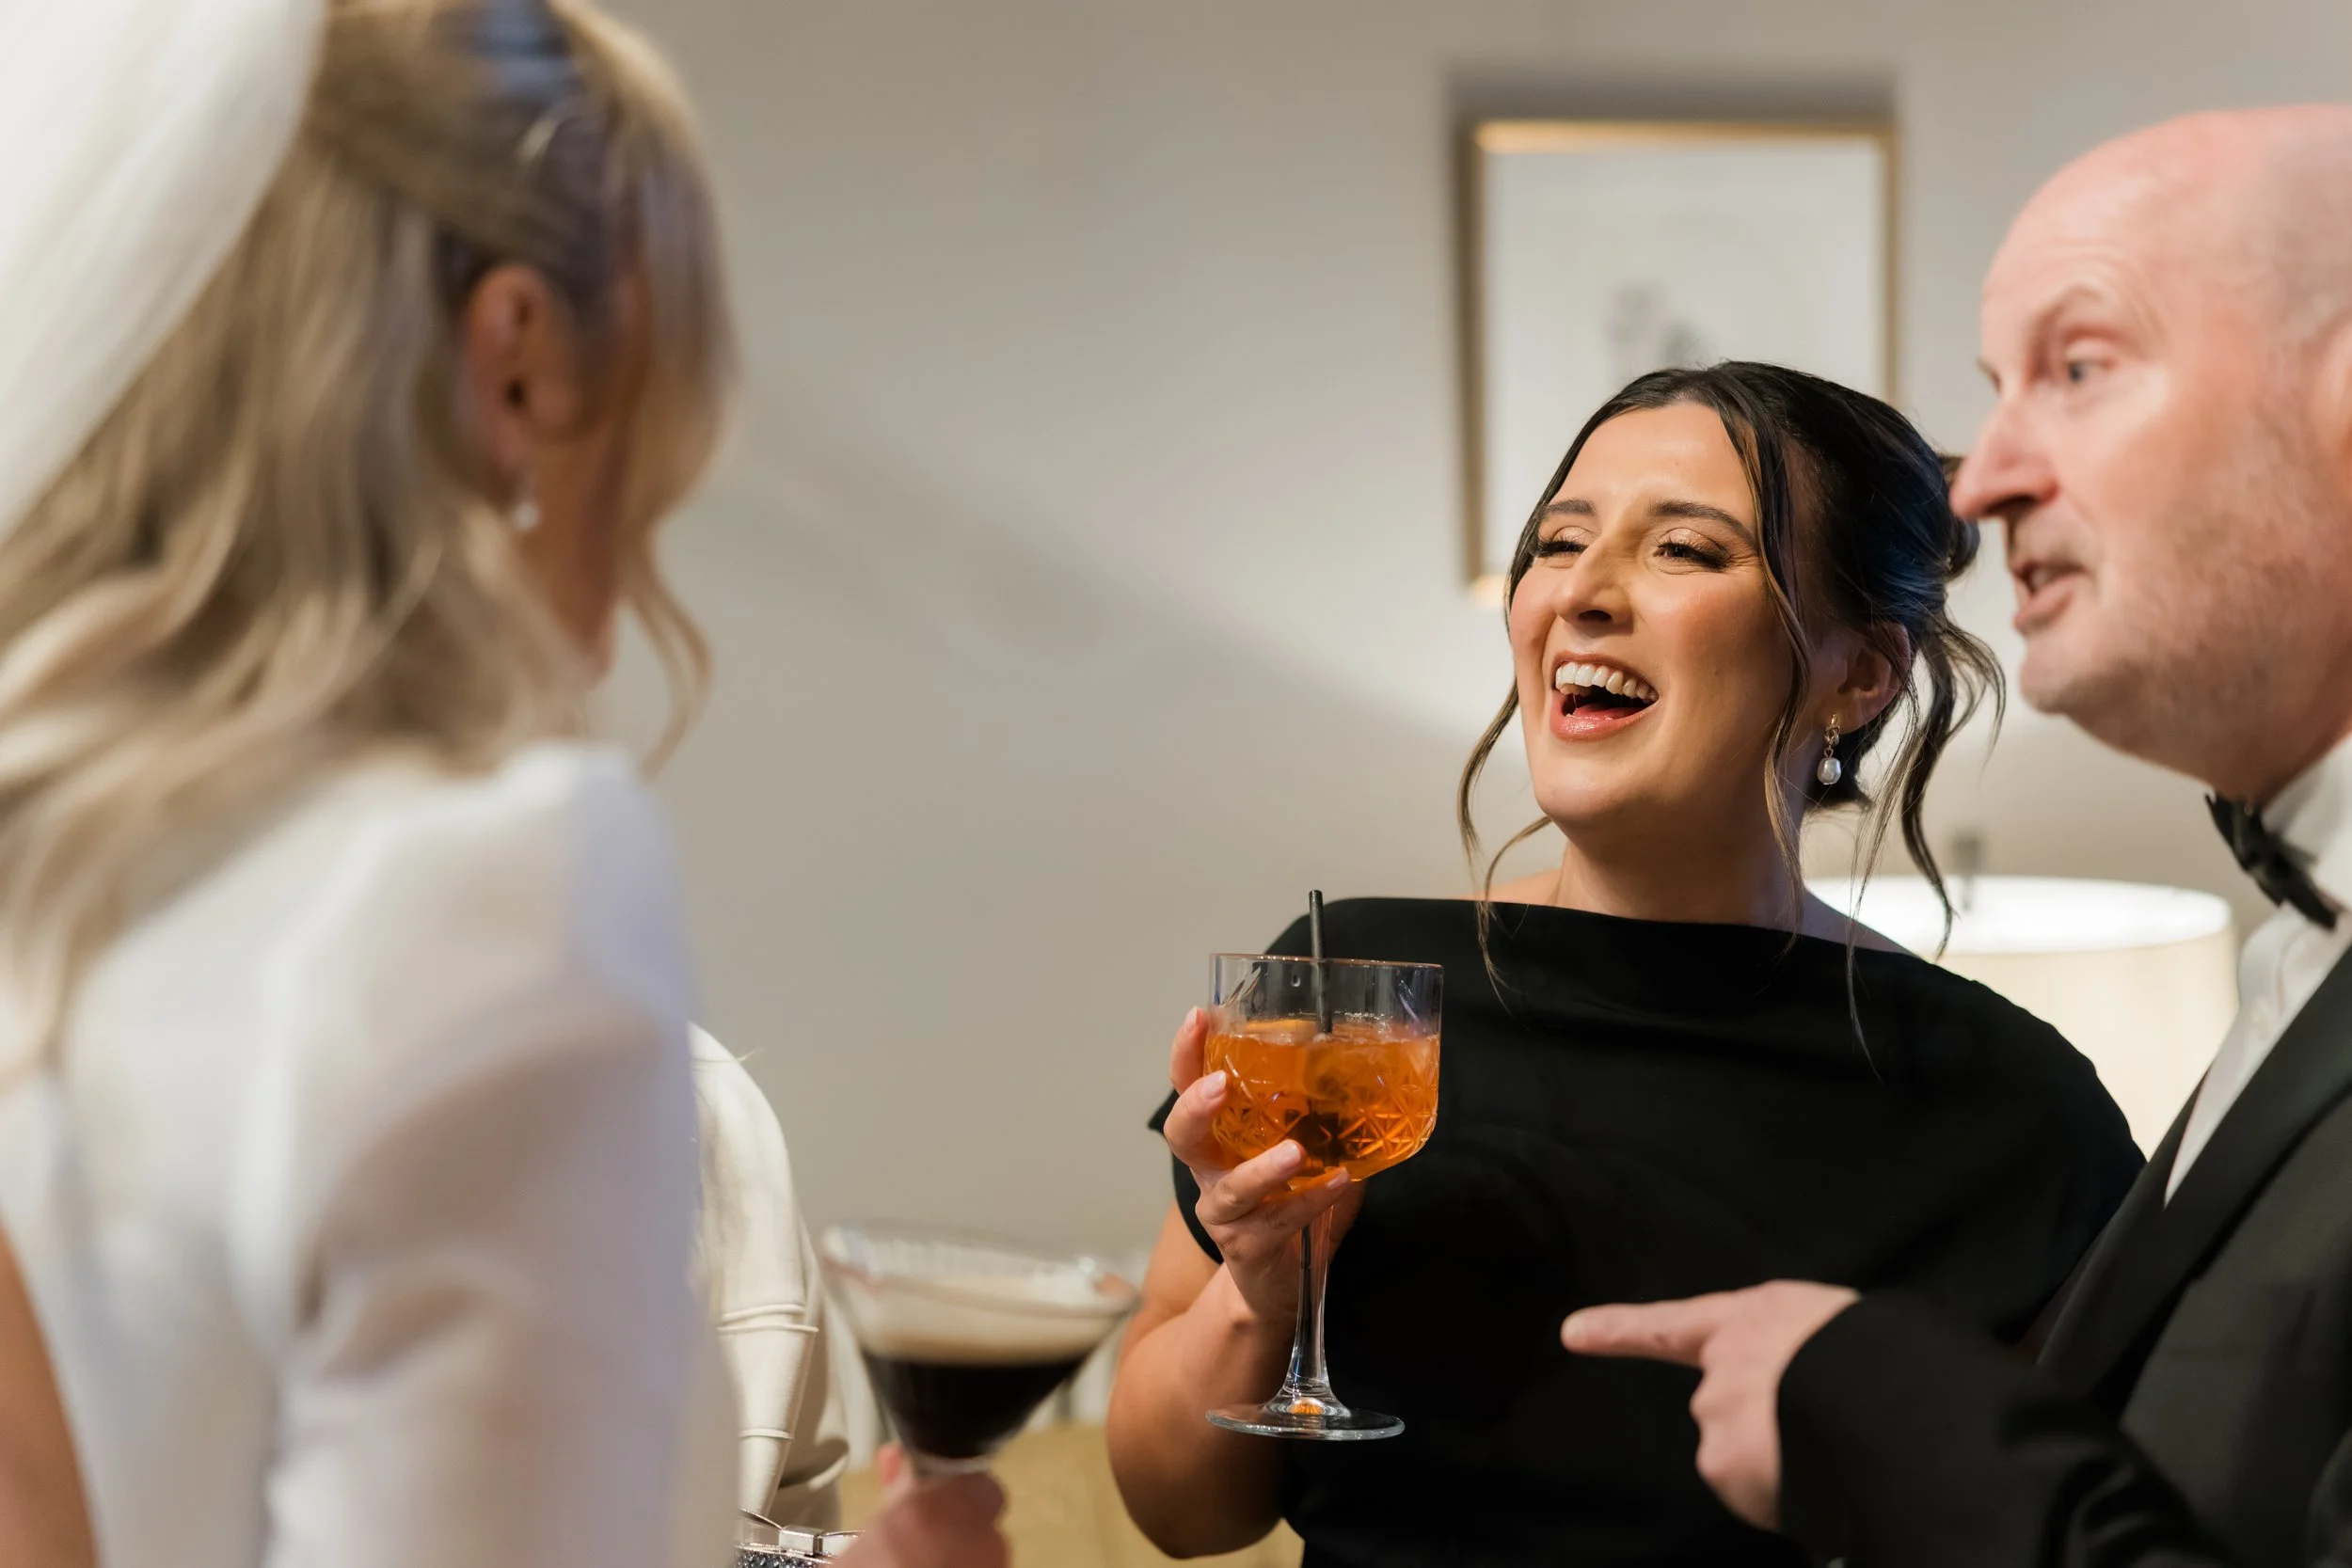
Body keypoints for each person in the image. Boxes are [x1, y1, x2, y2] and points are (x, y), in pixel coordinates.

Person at [0, 2, 1001, 1565]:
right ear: (517, 358)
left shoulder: (46, 862)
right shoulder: (474, 892)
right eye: (655, 450)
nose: (633, 581)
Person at [1105, 361, 2145, 1567]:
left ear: (1860, 673)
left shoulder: (2011, 1105)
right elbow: (1178, 1513)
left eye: (1683, 550)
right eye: (1558, 542)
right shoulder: (1344, 997)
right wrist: (1259, 1291)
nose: (1581, 594)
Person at [1563, 106, 2352, 1568]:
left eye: (2080, 367)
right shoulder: (2297, 964)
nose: (1982, 481)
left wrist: (1883, 1417)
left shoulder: (2010, 1097)